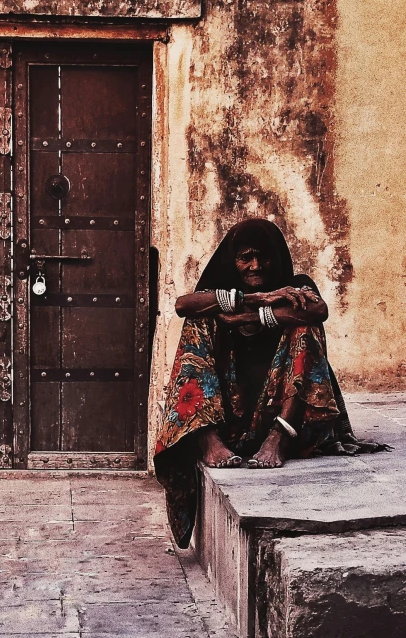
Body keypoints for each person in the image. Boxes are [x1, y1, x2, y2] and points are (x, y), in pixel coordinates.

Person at [154, 218, 390, 548]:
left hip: (285, 419)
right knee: (197, 323)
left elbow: (316, 311)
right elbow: (183, 305)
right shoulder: (221, 290)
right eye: (246, 257)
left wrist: (255, 316)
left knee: (305, 329)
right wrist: (256, 298)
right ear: (233, 260)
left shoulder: (296, 286)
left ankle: (277, 439)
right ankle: (207, 439)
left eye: (263, 256)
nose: (255, 265)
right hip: (230, 418)